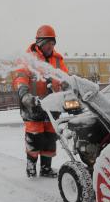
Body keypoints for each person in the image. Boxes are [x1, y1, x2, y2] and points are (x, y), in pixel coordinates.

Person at [13, 25, 68, 178]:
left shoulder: (58, 60)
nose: (50, 47)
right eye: (47, 44)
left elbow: (64, 77)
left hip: (52, 105)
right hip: (33, 105)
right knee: (35, 136)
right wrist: (24, 94)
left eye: (53, 44)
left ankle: (46, 168)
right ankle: (31, 166)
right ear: (40, 43)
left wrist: (67, 87)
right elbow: (21, 76)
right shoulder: (28, 58)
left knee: (50, 137)